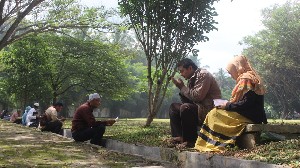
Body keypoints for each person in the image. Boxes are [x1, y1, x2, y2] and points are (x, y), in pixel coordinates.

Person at [194, 55, 267, 152]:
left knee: (215, 114)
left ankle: (214, 143)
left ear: (237, 68)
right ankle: (213, 142)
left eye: (230, 72)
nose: (230, 75)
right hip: (253, 114)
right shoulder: (250, 77)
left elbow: (246, 103)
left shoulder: (246, 79)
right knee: (215, 112)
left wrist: (227, 105)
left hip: (250, 116)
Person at [169, 58, 221, 148]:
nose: (181, 74)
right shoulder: (191, 79)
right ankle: (179, 137)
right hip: (199, 108)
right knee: (173, 107)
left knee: (186, 108)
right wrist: (181, 88)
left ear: (190, 68)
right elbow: (189, 101)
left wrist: (182, 87)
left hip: (209, 110)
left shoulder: (203, 75)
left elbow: (197, 97)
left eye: (182, 71)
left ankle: (190, 141)